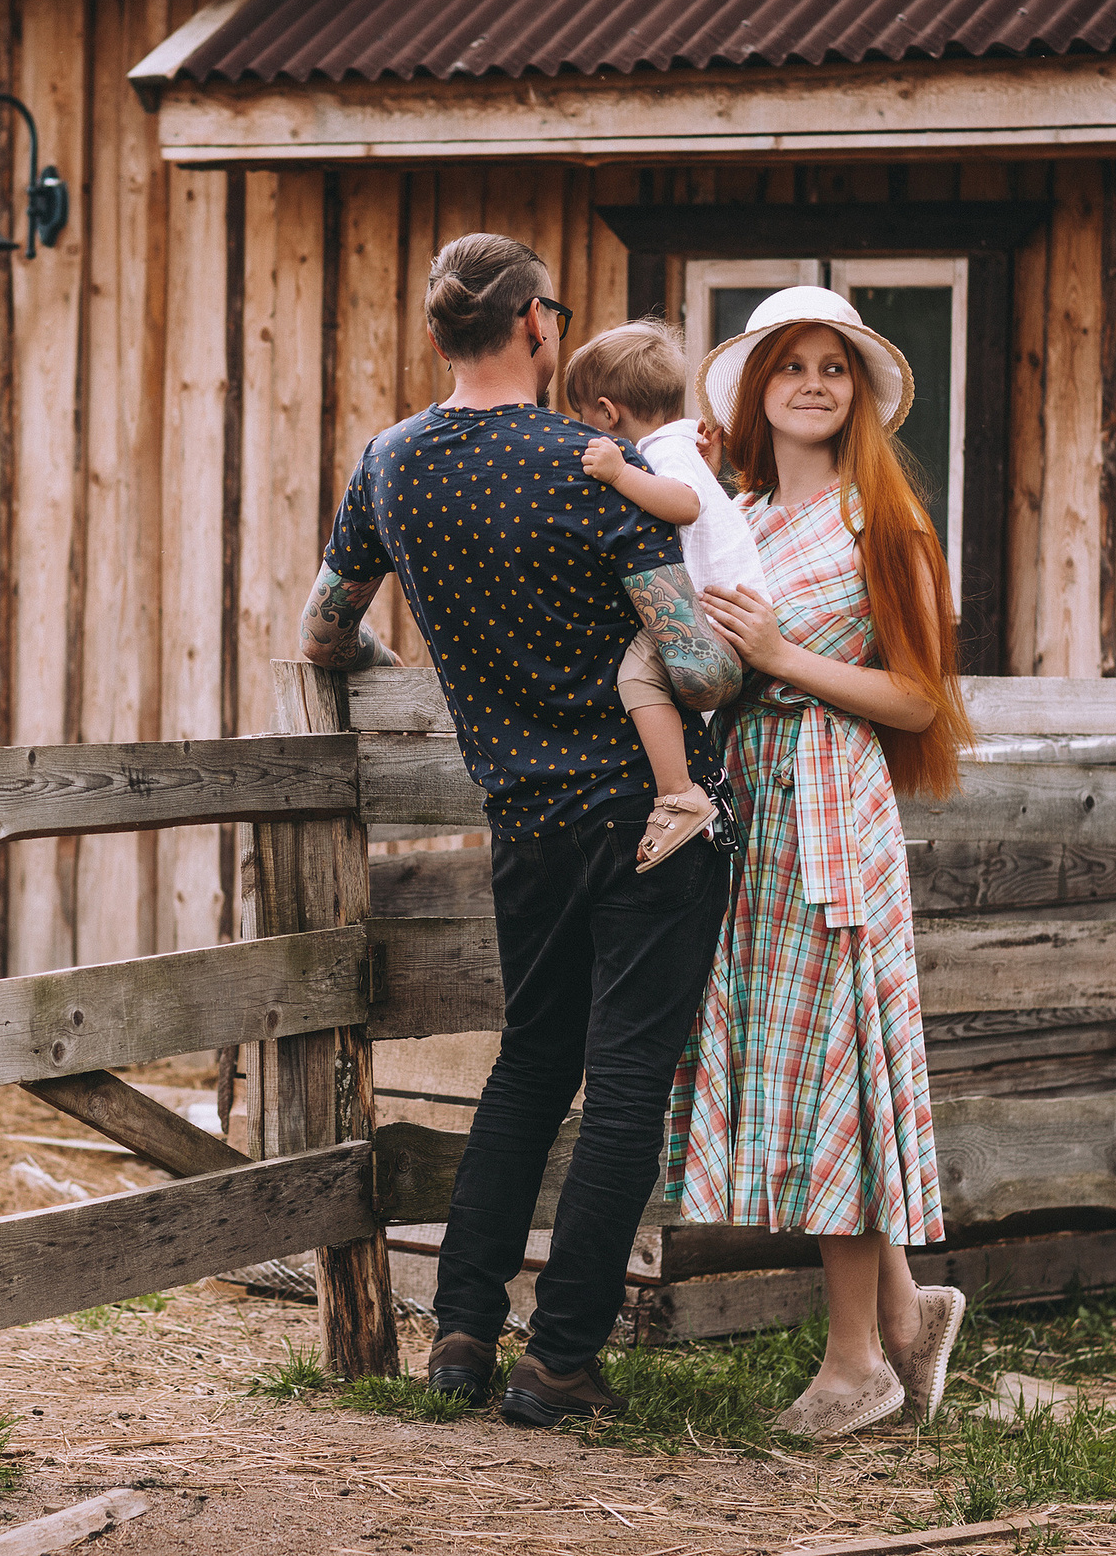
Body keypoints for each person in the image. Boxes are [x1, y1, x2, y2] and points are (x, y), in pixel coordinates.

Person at [295, 233, 742, 1429]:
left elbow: (323, 631)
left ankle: (459, 1335)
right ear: (539, 324)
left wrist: (423, 689)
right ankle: (560, 1361)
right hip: (652, 819)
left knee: (531, 1065)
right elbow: (695, 670)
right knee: (629, 1079)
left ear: (443, 333)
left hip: (526, 820)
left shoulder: (390, 465)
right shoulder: (596, 465)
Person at [665, 287, 973, 1439]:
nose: (810, 382)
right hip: (753, 805)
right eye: (786, 365)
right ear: (755, 390)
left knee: (832, 1062)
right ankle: (902, 1311)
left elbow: (915, 693)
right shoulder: (732, 516)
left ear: (857, 395)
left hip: (833, 806)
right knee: (801, 1065)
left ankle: (856, 1365)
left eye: (831, 368)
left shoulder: (877, 524)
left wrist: (783, 653)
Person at [564, 319, 767, 872]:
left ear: (607, 413)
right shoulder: (679, 447)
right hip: (723, 609)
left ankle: (679, 795)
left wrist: (617, 473)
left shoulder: (660, 454)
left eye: (585, 419)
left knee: (636, 673)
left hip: (713, 613)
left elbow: (685, 505)